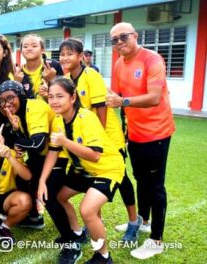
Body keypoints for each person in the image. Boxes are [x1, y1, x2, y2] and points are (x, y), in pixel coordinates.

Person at [59, 38, 141, 242]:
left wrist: (99, 141)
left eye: (70, 53)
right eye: (62, 54)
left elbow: (101, 110)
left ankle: (133, 221)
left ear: (80, 56)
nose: (65, 57)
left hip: (107, 137)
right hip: (87, 137)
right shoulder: (67, 78)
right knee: (92, 178)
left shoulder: (91, 75)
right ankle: (96, 223)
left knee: (121, 179)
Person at [106, 22, 175, 260]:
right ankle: (144, 222)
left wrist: (123, 102)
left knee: (155, 186)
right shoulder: (118, 63)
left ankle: (156, 240)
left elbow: (154, 97)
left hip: (157, 133)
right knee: (140, 180)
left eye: (123, 37)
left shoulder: (151, 59)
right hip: (134, 133)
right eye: (113, 40)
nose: (119, 43)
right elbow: (115, 95)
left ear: (135, 36)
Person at [46, 77, 124, 264]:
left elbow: (95, 155)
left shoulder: (86, 117)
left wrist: (65, 141)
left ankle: (103, 256)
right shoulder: (58, 119)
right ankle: (78, 233)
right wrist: (42, 181)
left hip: (107, 169)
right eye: (50, 96)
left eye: (59, 96)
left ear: (73, 97)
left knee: (88, 210)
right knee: (59, 196)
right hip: (83, 169)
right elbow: (53, 152)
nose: (54, 101)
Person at [0, 80, 51, 229]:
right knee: (23, 178)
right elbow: (29, 143)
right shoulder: (19, 114)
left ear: (20, 95)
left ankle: (73, 234)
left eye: (10, 98)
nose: (6, 103)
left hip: (58, 155)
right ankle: (33, 217)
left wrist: (16, 140)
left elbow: (38, 145)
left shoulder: (35, 106)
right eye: (2, 100)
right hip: (42, 156)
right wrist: (16, 130)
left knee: (51, 194)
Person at [0, 123, 32, 242]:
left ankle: (4, 226)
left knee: (24, 200)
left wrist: (9, 156)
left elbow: (28, 176)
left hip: (4, 199)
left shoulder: (10, 151)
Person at [15, 34, 63, 100]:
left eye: (34, 46)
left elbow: (65, 93)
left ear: (42, 50)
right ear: (21, 51)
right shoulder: (18, 74)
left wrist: (52, 80)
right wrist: (16, 84)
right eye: (25, 47)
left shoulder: (53, 66)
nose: (29, 49)